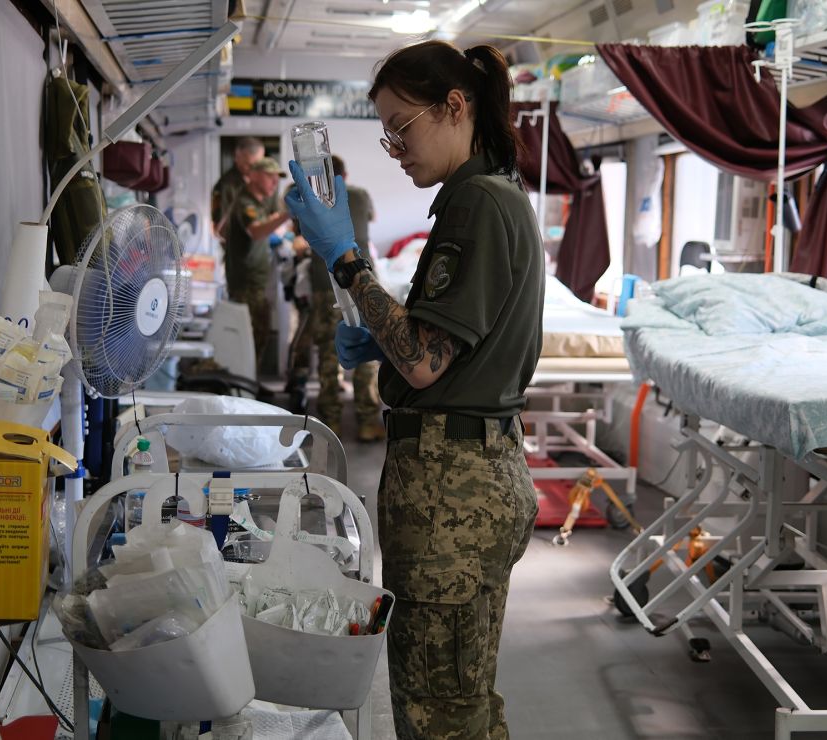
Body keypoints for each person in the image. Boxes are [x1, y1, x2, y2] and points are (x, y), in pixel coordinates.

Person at [285, 41, 543, 739]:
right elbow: (442, 343)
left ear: (455, 107)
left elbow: (425, 361)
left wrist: (346, 261)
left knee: (438, 717)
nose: (395, 147)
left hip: (452, 492)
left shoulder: (479, 205)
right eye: (386, 133)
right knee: (465, 702)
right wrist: (383, 336)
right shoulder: (485, 195)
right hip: (468, 482)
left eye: (402, 126)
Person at [286, 156, 385, 442]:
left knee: (329, 353)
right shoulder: (360, 195)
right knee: (367, 350)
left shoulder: (310, 203)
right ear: (344, 176)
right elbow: (371, 218)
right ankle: (367, 421)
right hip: (362, 278)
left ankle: (330, 424)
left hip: (324, 280)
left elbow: (299, 237)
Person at [224, 157, 292, 369]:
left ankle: (249, 381)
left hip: (254, 281)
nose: (274, 182)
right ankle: (244, 384)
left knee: (257, 335)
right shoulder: (246, 203)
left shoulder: (257, 204)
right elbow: (256, 231)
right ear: (253, 176)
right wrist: (288, 213)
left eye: (276, 178)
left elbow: (221, 229)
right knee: (251, 337)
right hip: (247, 283)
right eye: (269, 176)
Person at [210, 136, 267, 242]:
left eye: (257, 165)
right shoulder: (225, 185)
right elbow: (218, 228)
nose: (252, 170)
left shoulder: (262, 181)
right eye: (248, 165)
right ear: (237, 157)